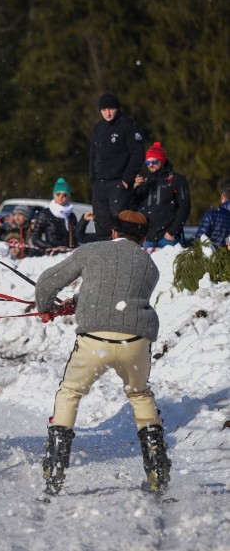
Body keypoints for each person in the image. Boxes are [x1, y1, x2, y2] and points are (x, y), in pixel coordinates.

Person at [34, 210, 170, 496]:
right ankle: (157, 467)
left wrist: (46, 307)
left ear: (113, 231)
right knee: (140, 395)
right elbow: (119, 290)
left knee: (70, 392)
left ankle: (55, 466)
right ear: (143, 238)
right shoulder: (150, 265)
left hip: (94, 339)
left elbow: (48, 282)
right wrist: (79, 301)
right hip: (135, 340)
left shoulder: (91, 251)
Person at [89, 93, 145, 240]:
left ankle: (121, 254)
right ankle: (104, 254)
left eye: (111, 109)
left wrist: (127, 179)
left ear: (117, 109)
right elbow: (93, 155)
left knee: (119, 223)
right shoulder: (98, 128)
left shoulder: (128, 126)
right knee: (101, 221)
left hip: (119, 182)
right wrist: (93, 180)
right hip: (100, 184)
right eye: (104, 109)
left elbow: (138, 154)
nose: (107, 113)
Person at [131, 142, 191, 248]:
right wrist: (134, 188)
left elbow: (184, 206)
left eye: (154, 161)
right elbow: (133, 206)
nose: (150, 165)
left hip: (167, 238)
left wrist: (173, 231)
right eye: (147, 162)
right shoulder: (145, 181)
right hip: (147, 238)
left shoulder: (175, 179)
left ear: (162, 161)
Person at [31, 177, 91, 254]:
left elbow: (77, 236)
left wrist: (84, 221)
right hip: (51, 255)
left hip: (69, 255)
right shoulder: (45, 214)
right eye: (58, 194)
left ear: (68, 197)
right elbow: (35, 238)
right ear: (54, 195)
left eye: (64, 195)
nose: (61, 197)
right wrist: (51, 247)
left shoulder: (71, 215)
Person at [194, 182, 230, 249]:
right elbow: (227, 241)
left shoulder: (212, 214)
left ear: (222, 196)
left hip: (211, 257)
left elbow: (199, 240)